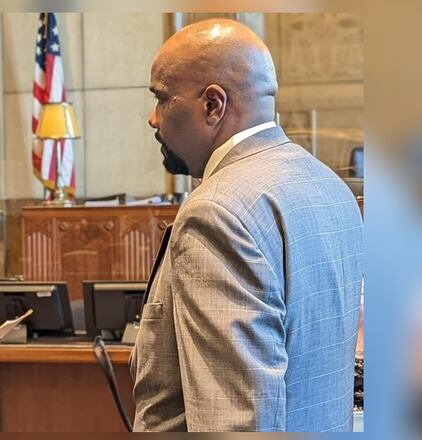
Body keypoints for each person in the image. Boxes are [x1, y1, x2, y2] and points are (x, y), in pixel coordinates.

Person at [130, 19, 363, 431]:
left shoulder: (217, 213)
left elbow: (236, 421)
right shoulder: (332, 188)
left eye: (162, 99)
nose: (152, 119)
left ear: (212, 105)